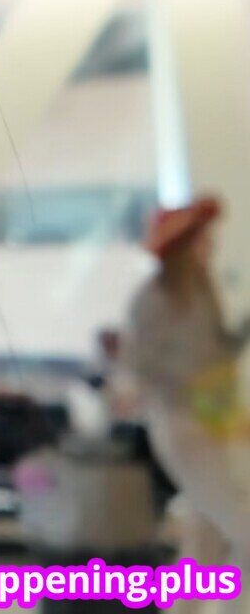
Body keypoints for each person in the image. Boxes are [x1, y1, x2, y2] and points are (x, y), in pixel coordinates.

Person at [122, 197, 250, 559]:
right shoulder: (155, 298)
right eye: (204, 239)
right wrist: (189, 383)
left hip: (211, 417)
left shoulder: (203, 294)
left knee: (206, 531)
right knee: (236, 519)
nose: (212, 245)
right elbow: (140, 364)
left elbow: (218, 354)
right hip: (179, 420)